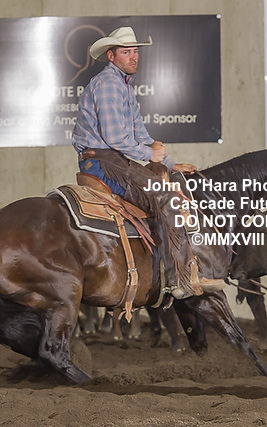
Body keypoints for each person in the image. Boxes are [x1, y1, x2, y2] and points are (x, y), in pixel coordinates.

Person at [72, 26, 198, 299]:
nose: (133, 57)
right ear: (111, 56)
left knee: (165, 186)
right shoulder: (108, 84)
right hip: (103, 162)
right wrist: (148, 155)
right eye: (126, 52)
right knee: (166, 197)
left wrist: (170, 164)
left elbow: (140, 134)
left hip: (111, 160)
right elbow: (116, 137)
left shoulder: (124, 87)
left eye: (135, 51)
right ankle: (178, 278)